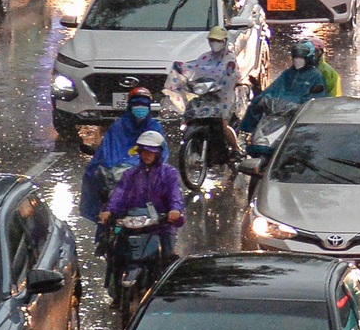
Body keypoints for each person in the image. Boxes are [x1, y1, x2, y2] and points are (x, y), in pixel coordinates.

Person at [98, 130, 184, 273]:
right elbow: (119, 193)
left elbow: (175, 195)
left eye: (151, 152)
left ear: (159, 153)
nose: (146, 155)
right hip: (132, 222)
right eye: (143, 151)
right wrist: (109, 210)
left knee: (168, 259)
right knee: (113, 247)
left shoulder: (169, 173)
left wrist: (174, 211)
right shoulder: (130, 174)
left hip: (160, 224)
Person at [79, 88, 164, 220]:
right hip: (118, 176)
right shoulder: (118, 127)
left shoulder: (155, 128)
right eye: (136, 104)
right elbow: (108, 155)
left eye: (144, 104)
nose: (140, 108)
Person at [244, 41, 332, 143]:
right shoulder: (288, 73)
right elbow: (275, 88)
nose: (297, 61)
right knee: (255, 105)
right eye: (295, 58)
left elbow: (317, 98)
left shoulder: (316, 76)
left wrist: (300, 105)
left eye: (300, 59)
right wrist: (264, 97)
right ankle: (246, 134)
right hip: (279, 112)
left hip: (297, 115)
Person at [172, 24, 243, 100]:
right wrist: (182, 68)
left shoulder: (230, 57)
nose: (215, 43)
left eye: (218, 41)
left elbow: (225, 72)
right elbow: (195, 70)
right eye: (212, 40)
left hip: (223, 95)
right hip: (203, 92)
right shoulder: (205, 57)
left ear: (225, 41)